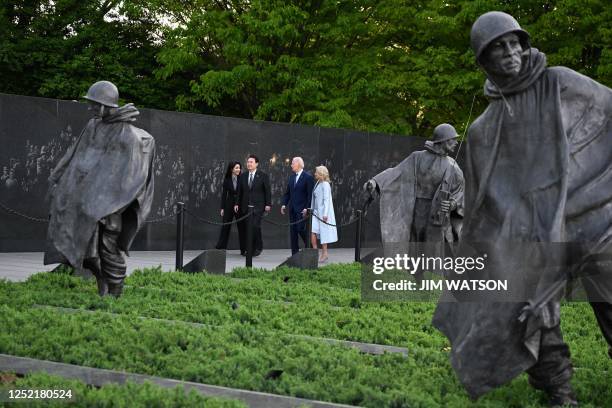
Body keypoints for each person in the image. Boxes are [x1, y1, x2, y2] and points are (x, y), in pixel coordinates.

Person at [433, 11, 612, 407]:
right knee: (528, 310)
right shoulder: (483, 130)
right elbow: (486, 207)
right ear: (483, 60)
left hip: (592, 219)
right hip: (535, 238)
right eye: (499, 47)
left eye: (515, 43)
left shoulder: (559, 83)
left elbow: (606, 117)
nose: (511, 52)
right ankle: (558, 392)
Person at [44, 80, 155, 297]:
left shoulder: (129, 135)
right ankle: (102, 283)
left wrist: (111, 205)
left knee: (108, 249)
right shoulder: (93, 126)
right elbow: (75, 155)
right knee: (89, 252)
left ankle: (114, 291)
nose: (91, 108)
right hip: (88, 204)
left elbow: (132, 178)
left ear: (107, 105)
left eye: (95, 104)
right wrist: (58, 177)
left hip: (111, 208)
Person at [364, 123, 464, 245]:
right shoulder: (417, 157)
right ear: (443, 140)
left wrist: (452, 204)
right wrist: (375, 181)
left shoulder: (452, 165)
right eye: (453, 139)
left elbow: (460, 191)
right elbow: (396, 172)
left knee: (433, 249)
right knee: (414, 244)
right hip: (417, 210)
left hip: (437, 214)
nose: (456, 142)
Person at [234, 154, 271, 256]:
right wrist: (237, 203)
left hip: (258, 207)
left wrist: (268, 204)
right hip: (245, 207)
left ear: (256, 164)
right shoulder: (243, 176)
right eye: (248, 162)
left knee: (254, 226)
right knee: (247, 228)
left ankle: (257, 247)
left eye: (251, 162)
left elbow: (267, 191)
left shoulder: (263, 176)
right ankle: (249, 249)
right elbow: (239, 192)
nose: (249, 164)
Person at [281, 157, 315, 255]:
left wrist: (307, 208)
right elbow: (288, 193)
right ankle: (294, 254)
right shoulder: (292, 177)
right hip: (292, 209)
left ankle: (310, 249)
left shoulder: (308, 177)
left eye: (292, 163)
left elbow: (310, 195)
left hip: (302, 210)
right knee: (293, 231)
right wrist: (284, 204)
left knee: (301, 229)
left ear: (299, 164)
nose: (291, 165)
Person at [215, 161, 245, 251]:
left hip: (239, 204)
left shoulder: (242, 178)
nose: (238, 170)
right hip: (229, 204)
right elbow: (224, 195)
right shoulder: (227, 179)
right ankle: (221, 247)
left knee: (242, 227)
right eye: (236, 168)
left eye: (239, 168)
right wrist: (222, 208)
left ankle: (244, 249)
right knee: (226, 226)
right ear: (232, 169)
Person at [310, 166, 338, 263]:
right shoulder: (317, 183)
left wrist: (325, 214)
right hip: (316, 212)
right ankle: (315, 253)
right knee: (313, 232)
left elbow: (326, 200)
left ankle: (325, 253)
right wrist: (310, 209)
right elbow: (314, 199)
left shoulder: (325, 184)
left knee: (323, 233)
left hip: (322, 213)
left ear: (321, 174)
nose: (315, 174)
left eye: (317, 172)